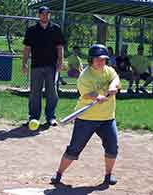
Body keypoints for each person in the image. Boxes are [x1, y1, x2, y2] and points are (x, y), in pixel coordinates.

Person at [51, 44, 121, 186]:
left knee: (112, 147)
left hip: (107, 118)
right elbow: (87, 93)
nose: (101, 62)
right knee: (74, 148)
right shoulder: (85, 76)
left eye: (103, 59)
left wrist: (113, 86)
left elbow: (116, 79)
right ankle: (58, 174)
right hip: (86, 119)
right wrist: (98, 96)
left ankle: (108, 175)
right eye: (98, 59)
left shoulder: (109, 71)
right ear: (91, 60)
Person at [22, 6, 65, 126]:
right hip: (36, 66)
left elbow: (60, 47)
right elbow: (27, 48)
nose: (45, 16)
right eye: (42, 14)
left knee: (51, 92)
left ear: (49, 15)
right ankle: (33, 117)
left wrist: (60, 62)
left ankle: (50, 117)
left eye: (47, 14)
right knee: (35, 92)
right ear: (39, 15)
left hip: (51, 66)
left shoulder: (55, 29)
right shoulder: (31, 30)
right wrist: (24, 63)